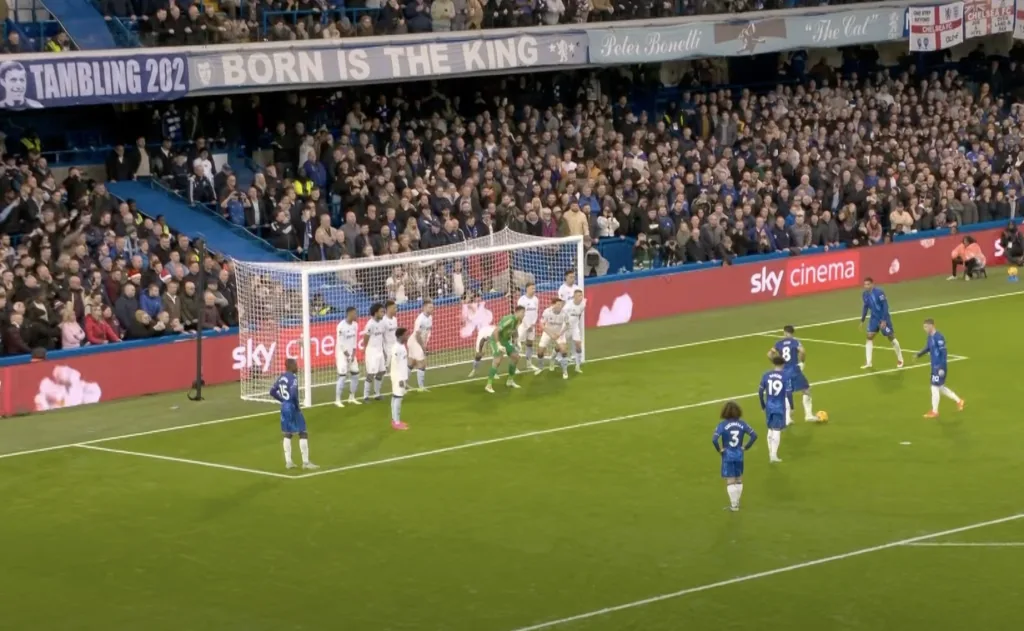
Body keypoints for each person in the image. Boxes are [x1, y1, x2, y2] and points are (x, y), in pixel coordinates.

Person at [270, 358, 317, 470]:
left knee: (288, 433)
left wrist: (282, 400)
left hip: (284, 407)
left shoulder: (281, 377)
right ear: (291, 366)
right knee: (303, 432)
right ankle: (305, 463)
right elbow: (293, 394)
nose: (297, 367)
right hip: (292, 406)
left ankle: (289, 462)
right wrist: (296, 406)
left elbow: (271, 391)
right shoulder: (293, 378)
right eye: (296, 365)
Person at [712, 401, 758, 512]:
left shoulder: (722, 425)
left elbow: (714, 439)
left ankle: (734, 506)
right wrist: (746, 447)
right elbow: (754, 435)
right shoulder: (742, 424)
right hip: (739, 454)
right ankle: (737, 503)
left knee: (730, 480)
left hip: (728, 455)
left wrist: (720, 450)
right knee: (738, 479)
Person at [916, 319, 965, 418]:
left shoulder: (939, 337)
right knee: (940, 387)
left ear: (931, 326)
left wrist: (941, 367)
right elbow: (928, 347)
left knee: (934, 387)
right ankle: (959, 401)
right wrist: (919, 354)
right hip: (935, 366)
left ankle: (935, 411)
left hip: (939, 367)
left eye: (926, 327)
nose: (924, 329)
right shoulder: (930, 337)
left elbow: (944, 353)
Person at [768, 325, 816, 423]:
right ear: (792, 332)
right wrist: (802, 362)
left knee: (786, 394)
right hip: (794, 370)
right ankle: (808, 415)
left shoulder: (779, 343)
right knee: (806, 390)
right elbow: (802, 351)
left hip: (783, 372)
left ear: (785, 332)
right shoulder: (795, 342)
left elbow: (769, 354)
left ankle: (787, 419)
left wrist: (777, 363)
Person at [859, 278, 905, 369]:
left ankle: (900, 359)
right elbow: (865, 307)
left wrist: (884, 320)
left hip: (883, 318)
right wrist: (862, 320)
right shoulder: (865, 295)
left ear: (872, 284)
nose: (866, 286)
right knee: (869, 336)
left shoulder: (879, 293)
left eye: (868, 284)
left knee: (891, 337)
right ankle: (868, 362)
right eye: (865, 285)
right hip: (874, 319)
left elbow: (885, 306)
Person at [485, 306, 525, 393]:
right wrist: (498, 344)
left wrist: (516, 341)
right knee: (498, 360)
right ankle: (488, 385)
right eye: (522, 313)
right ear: (517, 312)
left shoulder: (518, 321)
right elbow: (496, 331)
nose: (523, 315)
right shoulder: (509, 319)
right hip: (496, 340)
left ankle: (510, 381)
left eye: (524, 313)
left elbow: (514, 331)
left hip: (506, 341)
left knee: (516, 357)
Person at [758, 356, 790, 463]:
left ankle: (770, 453)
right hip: (779, 407)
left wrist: (762, 405)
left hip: (769, 406)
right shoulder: (785, 376)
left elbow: (760, 392)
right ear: (783, 364)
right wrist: (792, 406)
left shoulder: (766, 375)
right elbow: (789, 393)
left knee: (770, 429)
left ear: (773, 364)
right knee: (776, 430)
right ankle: (773, 455)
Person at [334, 306, 361, 407]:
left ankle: (352, 397)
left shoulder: (355, 325)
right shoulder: (341, 326)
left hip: (351, 354)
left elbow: (354, 341)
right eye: (354, 313)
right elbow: (341, 343)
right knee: (342, 376)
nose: (356, 315)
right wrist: (347, 355)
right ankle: (337, 400)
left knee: (356, 374)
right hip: (342, 354)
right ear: (349, 314)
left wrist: (353, 354)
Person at [537, 297, 569, 378]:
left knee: (563, 351)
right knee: (540, 352)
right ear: (553, 305)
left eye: (561, 304)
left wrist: (559, 333)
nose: (560, 306)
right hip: (548, 332)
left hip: (559, 333)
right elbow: (541, 325)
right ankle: (540, 367)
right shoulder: (547, 312)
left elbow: (567, 325)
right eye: (558, 304)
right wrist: (551, 334)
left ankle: (564, 371)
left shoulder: (564, 313)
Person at [361, 302, 387, 402]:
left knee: (381, 372)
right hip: (372, 352)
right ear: (375, 313)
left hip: (380, 351)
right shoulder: (370, 325)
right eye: (381, 312)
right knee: (371, 373)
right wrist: (365, 350)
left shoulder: (382, 323)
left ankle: (377, 394)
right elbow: (365, 338)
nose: (383, 313)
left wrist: (384, 350)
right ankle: (365, 396)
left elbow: (382, 336)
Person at [408, 299, 434, 391]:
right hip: (415, 341)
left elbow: (428, 332)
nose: (432, 309)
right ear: (424, 308)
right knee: (422, 364)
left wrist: (425, 344)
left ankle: (402, 384)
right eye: (430, 307)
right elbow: (417, 334)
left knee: (411, 364)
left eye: (432, 307)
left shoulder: (430, 318)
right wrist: (423, 346)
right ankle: (421, 387)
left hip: (418, 342)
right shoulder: (420, 319)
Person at [389, 327, 411, 431]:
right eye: (406, 334)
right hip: (398, 377)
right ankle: (396, 422)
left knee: (395, 396)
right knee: (398, 397)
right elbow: (396, 365)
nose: (407, 336)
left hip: (400, 376)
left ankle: (394, 419)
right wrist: (401, 380)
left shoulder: (401, 346)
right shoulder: (396, 348)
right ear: (401, 336)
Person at [516, 282, 540, 373]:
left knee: (530, 344)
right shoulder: (522, 300)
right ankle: (514, 366)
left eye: (534, 288)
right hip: (523, 326)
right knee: (518, 345)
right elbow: (519, 314)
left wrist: (533, 324)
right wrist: (527, 325)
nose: (534, 290)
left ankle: (529, 363)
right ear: (527, 289)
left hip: (531, 326)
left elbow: (536, 312)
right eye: (532, 288)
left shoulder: (536, 299)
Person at [562, 289, 586, 373]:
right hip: (566, 327)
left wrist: (576, 323)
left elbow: (579, 315)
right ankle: (554, 359)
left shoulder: (583, 305)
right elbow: (563, 314)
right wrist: (566, 322)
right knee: (561, 347)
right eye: (579, 296)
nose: (581, 297)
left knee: (578, 345)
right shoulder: (568, 305)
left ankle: (577, 366)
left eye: (581, 295)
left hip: (575, 327)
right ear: (575, 296)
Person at [382, 300, 399, 370]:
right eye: (394, 308)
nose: (396, 310)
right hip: (388, 349)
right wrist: (383, 351)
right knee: (385, 369)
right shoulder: (383, 320)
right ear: (388, 309)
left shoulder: (395, 319)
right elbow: (380, 336)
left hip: (396, 346)